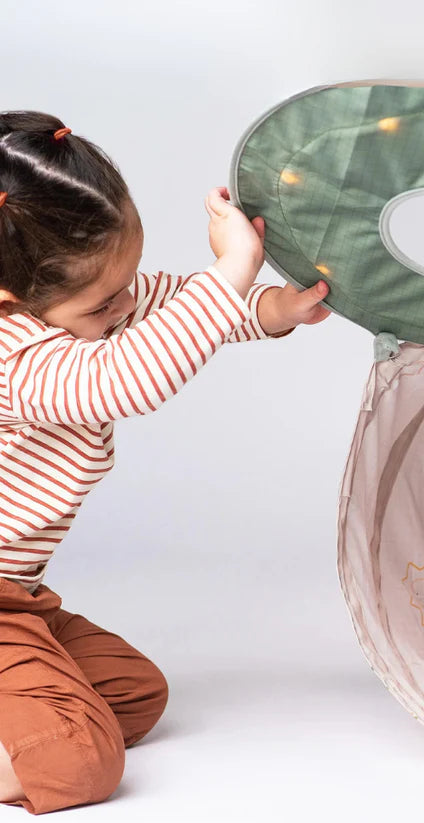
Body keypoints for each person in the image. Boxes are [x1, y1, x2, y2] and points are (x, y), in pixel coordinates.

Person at [0, 111, 330, 814]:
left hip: (19, 595)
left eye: (127, 280)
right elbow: (127, 377)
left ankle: (34, 704)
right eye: (103, 303)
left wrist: (273, 307)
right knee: (78, 762)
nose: (126, 304)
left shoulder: (82, 300)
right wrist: (231, 270)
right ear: (12, 300)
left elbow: (171, 306)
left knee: (134, 694)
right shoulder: (13, 358)